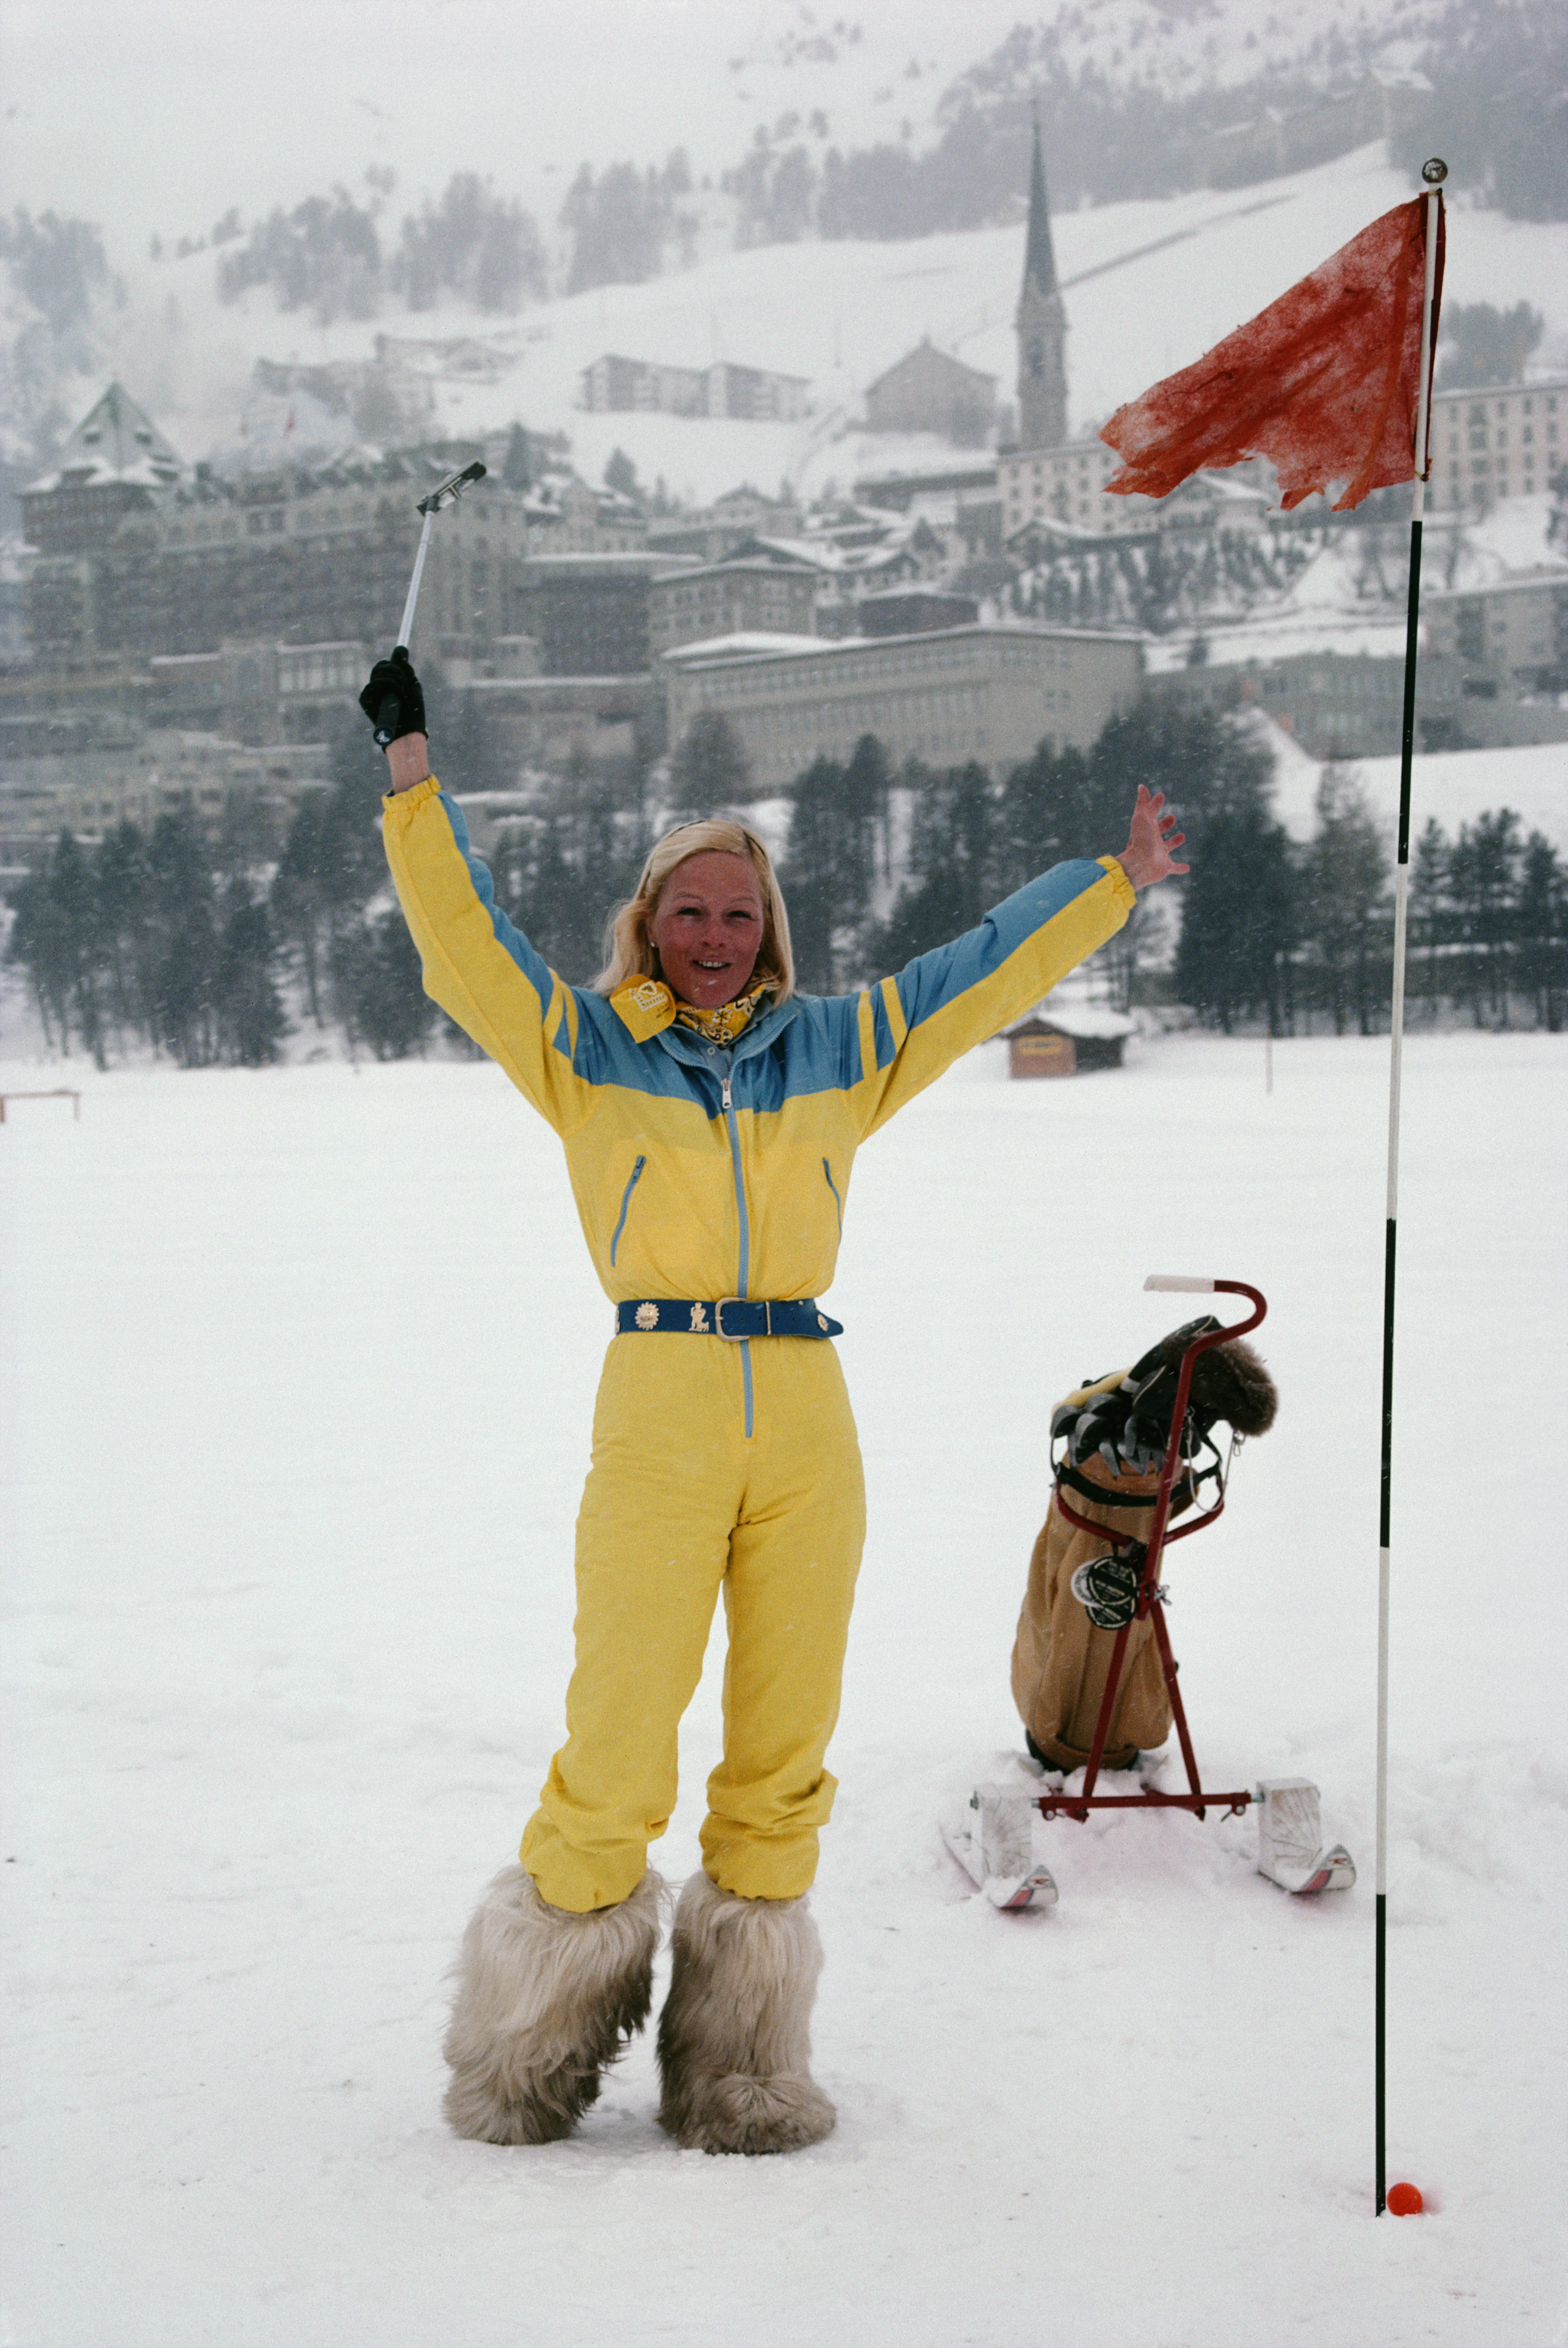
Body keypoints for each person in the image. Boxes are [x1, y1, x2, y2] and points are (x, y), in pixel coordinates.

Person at [360, 646, 1187, 2156]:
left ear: (771, 928)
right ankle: (526, 2055)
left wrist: (1110, 883)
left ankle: (741, 2064)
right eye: (691, 910)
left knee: (783, 1742)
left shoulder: (841, 1049)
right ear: (650, 924)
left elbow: (971, 973)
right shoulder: (585, 1048)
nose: (718, 935)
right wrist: (413, 773)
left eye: (742, 912)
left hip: (809, 1412)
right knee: (616, 1736)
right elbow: (464, 945)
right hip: (660, 1402)